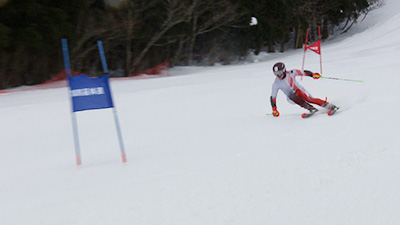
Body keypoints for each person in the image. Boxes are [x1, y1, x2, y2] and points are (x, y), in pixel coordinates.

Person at [270, 62, 338, 118]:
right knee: (292, 96)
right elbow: (273, 97)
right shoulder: (276, 84)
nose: (278, 75)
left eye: (279, 72)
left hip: (299, 90)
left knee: (309, 99)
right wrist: (274, 109)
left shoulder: (291, 73)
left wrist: (312, 75)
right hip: (291, 97)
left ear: (284, 70)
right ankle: (310, 108)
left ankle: (330, 106)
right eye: (276, 74)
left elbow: (303, 72)